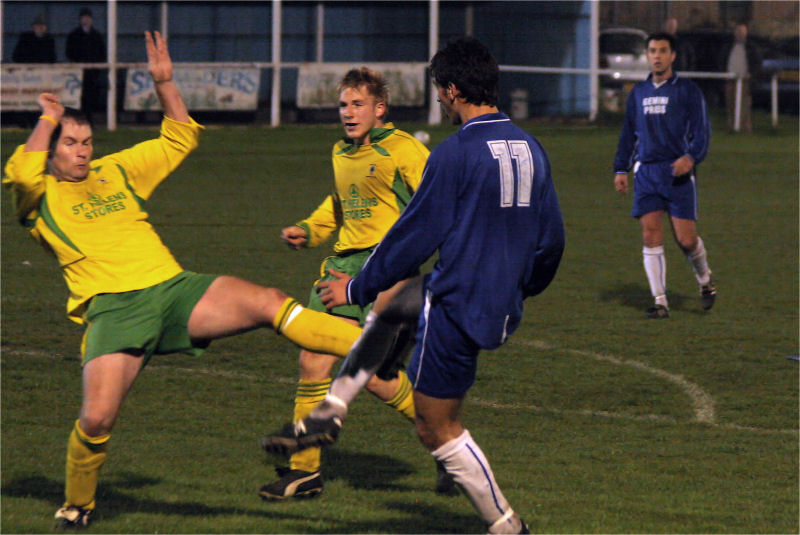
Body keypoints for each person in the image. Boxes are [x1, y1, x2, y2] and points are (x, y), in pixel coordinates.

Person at [2, 31, 363, 530]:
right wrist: (46, 116)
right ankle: (77, 505)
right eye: (70, 144)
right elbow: (21, 173)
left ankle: (373, 340)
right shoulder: (36, 198)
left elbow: (180, 135)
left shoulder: (116, 170)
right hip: (113, 309)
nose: (82, 153)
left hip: (173, 290)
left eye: (87, 142)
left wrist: (165, 84)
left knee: (269, 301)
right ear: (51, 151)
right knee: (97, 421)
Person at [263, 37, 565, 534]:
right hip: (495, 298)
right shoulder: (531, 148)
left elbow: (411, 240)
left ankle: (507, 527)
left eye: (441, 94)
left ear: (452, 90)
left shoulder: (454, 153)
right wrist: (519, 289)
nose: (442, 103)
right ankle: (333, 406)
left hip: (459, 303)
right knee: (401, 302)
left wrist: (358, 288)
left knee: (435, 426)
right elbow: (551, 241)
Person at [260, 67, 450, 500]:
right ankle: (304, 471)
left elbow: (434, 209)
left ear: (379, 108)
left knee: (374, 375)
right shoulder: (341, 151)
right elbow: (341, 203)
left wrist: (392, 273)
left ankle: (448, 444)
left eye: (357, 104)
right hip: (339, 267)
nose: (348, 113)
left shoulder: (404, 150)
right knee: (314, 361)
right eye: (343, 105)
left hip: (378, 271)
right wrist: (309, 230)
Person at [612, 32, 715, 319]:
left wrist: (691, 157)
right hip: (647, 172)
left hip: (677, 173)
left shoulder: (688, 91)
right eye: (652, 51)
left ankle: (705, 279)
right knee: (650, 234)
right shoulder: (639, 92)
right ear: (647, 55)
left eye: (663, 51)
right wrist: (621, 168)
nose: (657, 56)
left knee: (686, 240)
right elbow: (628, 134)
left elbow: (702, 132)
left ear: (672, 56)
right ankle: (660, 301)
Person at [66, 8, 107, 118]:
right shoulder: (74, 35)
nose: (86, 20)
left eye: (88, 18)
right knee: (79, 96)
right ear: (80, 20)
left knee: (92, 96)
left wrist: (96, 66)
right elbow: (69, 52)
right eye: (84, 18)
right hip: (78, 73)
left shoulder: (96, 35)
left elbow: (102, 52)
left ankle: (89, 119)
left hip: (93, 73)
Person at [721, 23, 761, 132]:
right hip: (730, 79)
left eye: (742, 32)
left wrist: (751, 74)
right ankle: (731, 125)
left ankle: (744, 126)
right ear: (734, 33)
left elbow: (757, 63)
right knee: (730, 102)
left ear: (746, 33)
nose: (740, 34)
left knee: (744, 104)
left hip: (744, 80)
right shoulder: (729, 46)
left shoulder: (751, 47)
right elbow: (722, 60)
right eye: (738, 31)